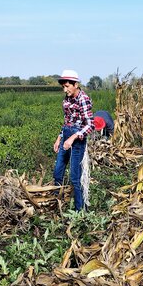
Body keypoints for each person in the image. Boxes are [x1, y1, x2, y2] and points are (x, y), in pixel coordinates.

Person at [53, 70, 94, 211]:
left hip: (77, 140)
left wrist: (73, 137)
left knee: (75, 177)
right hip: (66, 136)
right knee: (58, 172)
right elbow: (66, 121)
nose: (65, 90)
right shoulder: (67, 99)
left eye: (67, 86)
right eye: (63, 87)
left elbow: (90, 125)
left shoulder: (83, 99)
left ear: (75, 84)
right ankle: (56, 203)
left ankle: (80, 210)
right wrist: (59, 138)